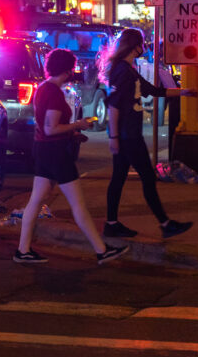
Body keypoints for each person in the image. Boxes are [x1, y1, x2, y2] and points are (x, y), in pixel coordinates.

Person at [15, 49, 129, 265]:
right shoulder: (55, 93)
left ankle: (23, 250)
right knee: (77, 204)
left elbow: (46, 126)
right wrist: (78, 124)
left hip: (42, 150)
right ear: (67, 71)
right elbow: (51, 128)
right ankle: (101, 250)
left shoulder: (42, 88)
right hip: (56, 153)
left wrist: (72, 132)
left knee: (36, 201)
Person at [99, 28, 195, 239]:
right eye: (142, 43)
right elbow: (113, 107)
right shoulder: (123, 72)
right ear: (135, 46)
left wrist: (183, 92)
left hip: (127, 134)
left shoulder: (127, 69)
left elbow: (153, 90)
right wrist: (114, 138)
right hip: (128, 136)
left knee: (119, 178)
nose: (144, 47)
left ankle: (112, 224)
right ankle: (165, 224)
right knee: (147, 178)